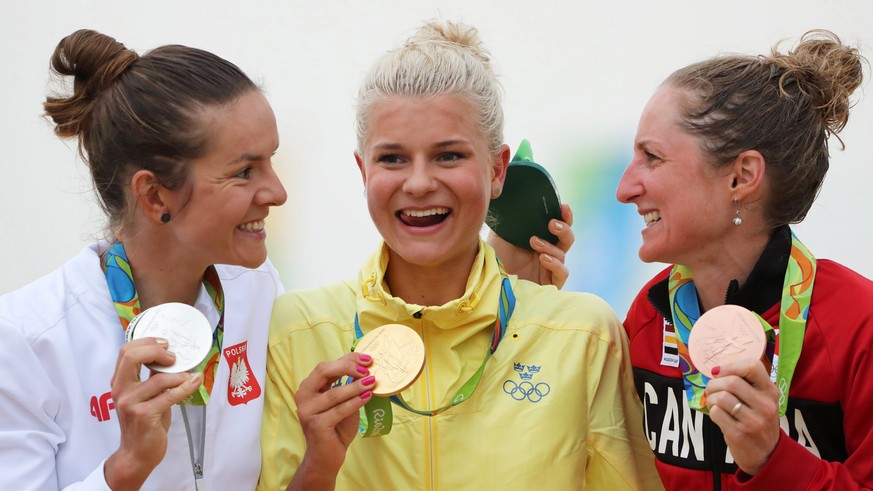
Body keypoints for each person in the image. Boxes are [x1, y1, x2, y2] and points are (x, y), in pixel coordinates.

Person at [0, 29, 572, 491]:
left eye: (272, 161)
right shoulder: (25, 339)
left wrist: (501, 288)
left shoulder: (256, 294)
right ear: (154, 196)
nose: (277, 192)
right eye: (245, 171)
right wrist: (124, 471)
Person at [258, 20, 660, 491]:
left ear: (497, 170)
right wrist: (318, 469)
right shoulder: (299, 329)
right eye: (392, 158)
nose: (420, 182)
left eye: (448, 156)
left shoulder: (581, 334)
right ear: (362, 170)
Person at [616, 30, 872, 489]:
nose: (625, 188)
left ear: (742, 176)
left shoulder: (859, 325)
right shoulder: (647, 319)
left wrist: (776, 460)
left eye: (651, 157)